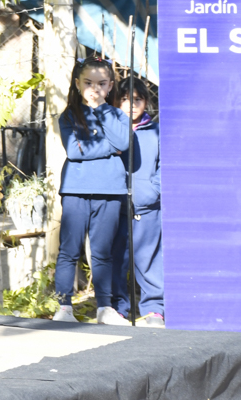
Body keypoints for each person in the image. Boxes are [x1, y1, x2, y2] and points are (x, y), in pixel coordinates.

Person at [52, 57, 131, 325]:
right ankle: (64, 307)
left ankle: (105, 308)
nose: (94, 89)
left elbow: (123, 142)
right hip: (76, 189)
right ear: (77, 84)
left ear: (110, 86)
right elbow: (75, 151)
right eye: (88, 83)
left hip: (110, 190)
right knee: (69, 249)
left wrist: (103, 112)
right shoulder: (69, 115)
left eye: (101, 83)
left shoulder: (117, 115)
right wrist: (110, 148)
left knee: (103, 252)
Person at [112, 79, 164, 327]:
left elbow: (164, 165)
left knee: (149, 260)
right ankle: (118, 310)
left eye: (137, 99)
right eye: (124, 99)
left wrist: (153, 190)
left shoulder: (156, 131)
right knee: (115, 261)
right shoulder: (111, 129)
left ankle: (154, 310)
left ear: (146, 102)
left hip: (147, 208)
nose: (131, 105)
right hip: (115, 207)